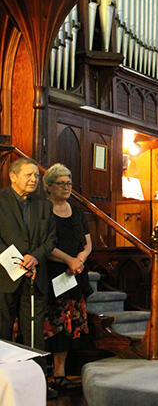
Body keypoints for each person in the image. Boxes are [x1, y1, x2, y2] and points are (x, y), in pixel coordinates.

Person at [42, 164, 93, 391]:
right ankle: (46, 373)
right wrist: (69, 260)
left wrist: (80, 259)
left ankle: (61, 373)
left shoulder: (77, 211)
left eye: (69, 183)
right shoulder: (42, 211)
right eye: (61, 184)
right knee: (51, 325)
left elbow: (88, 242)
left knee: (68, 325)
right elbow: (45, 246)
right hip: (52, 273)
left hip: (75, 274)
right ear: (49, 186)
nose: (66, 187)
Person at [0, 157, 56, 353]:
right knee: (3, 331)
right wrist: (17, 261)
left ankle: (35, 379)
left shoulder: (44, 205)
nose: (34, 179)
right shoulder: (1, 201)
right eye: (29, 175)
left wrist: (34, 257)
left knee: (33, 335)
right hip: (6, 277)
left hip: (35, 276)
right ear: (13, 176)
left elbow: (51, 239)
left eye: (37, 176)